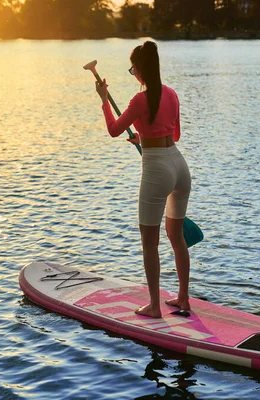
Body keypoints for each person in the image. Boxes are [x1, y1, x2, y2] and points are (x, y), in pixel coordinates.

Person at [95, 41, 192, 318]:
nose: (132, 72)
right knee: (177, 237)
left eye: (132, 68)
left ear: (139, 69)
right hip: (179, 166)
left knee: (149, 241)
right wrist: (144, 137)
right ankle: (183, 298)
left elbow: (114, 130)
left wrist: (104, 99)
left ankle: (153, 306)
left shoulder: (140, 100)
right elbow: (174, 136)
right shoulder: (172, 94)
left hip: (157, 170)